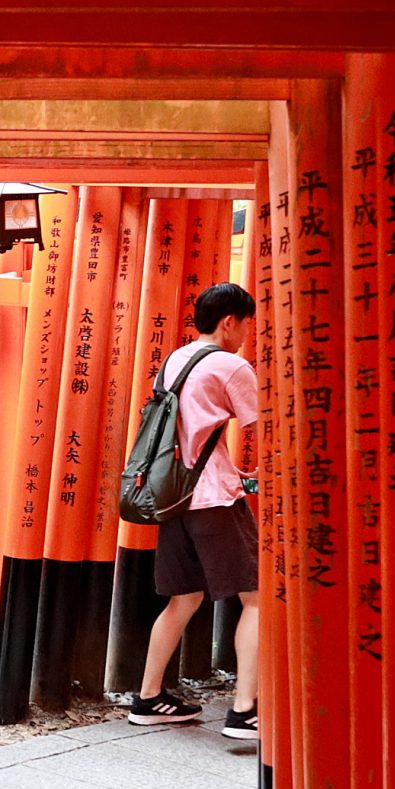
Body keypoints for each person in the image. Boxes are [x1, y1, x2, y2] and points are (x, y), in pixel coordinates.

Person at [129, 280, 261, 739]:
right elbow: (261, 429)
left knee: (183, 597)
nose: (247, 333)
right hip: (213, 497)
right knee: (258, 597)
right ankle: (245, 710)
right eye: (246, 324)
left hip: (172, 497)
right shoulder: (231, 365)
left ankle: (148, 697)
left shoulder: (175, 361)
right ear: (229, 322)